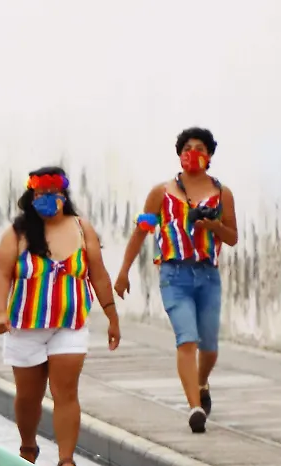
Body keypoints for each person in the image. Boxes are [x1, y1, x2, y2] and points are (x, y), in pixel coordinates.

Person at [0, 167, 121, 466]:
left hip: (69, 324)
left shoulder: (81, 228)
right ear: (31, 197)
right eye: (40, 195)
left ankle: (66, 460)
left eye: (53, 193)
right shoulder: (17, 234)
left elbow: (98, 275)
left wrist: (111, 316)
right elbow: (1, 273)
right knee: (28, 397)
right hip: (25, 328)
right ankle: (27, 448)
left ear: (64, 195)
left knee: (66, 392)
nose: (47, 200)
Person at [114, 126, 238, 434]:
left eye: (199, 148)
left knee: (209, 347)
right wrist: (123, 271)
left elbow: (232, 237)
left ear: (209, 156)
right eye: (187, 148)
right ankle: (195, 407)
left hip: (208, 275)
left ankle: (201, 380)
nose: (192, 153)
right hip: (174, 275)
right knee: (187, 339)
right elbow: (142, 231)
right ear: (179, 154)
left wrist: (213, 226)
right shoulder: (162, 193)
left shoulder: (223, 194)